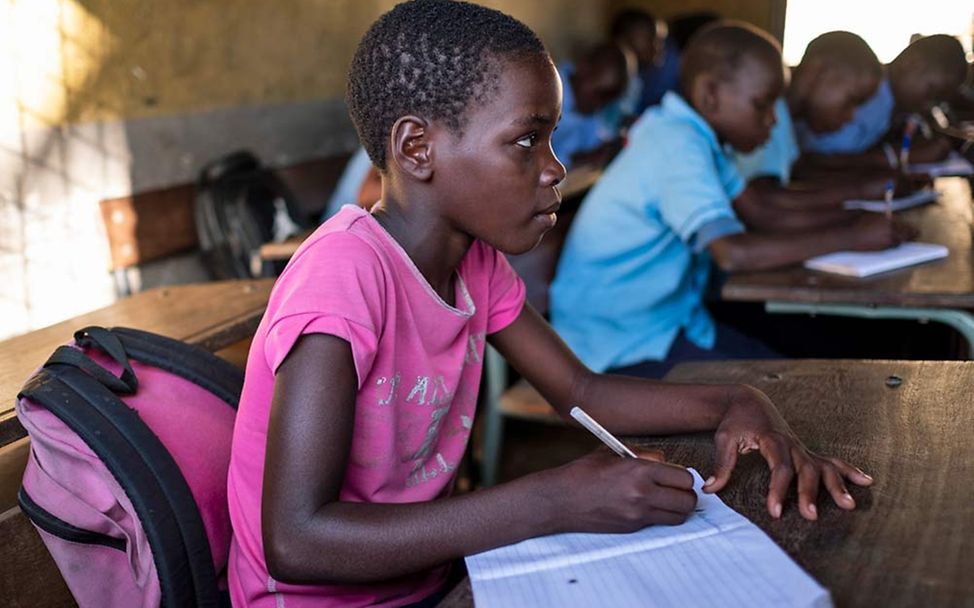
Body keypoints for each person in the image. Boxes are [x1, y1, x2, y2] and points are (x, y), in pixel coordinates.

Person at [227, 5, 876, 607]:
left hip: (434, 577)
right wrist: (552, 499)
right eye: (526, 141)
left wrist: (739, 401)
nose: (554, 167)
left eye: (552, 140)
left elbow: (580, 388)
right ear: (417, 148)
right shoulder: (341, 278)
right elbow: (297, 541)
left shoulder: (473, 262)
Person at [550, 21, 915, 379]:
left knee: (795, 373)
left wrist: (857, 224)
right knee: (791, 390)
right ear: (710, 94)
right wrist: (851, 237)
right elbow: (733, 252)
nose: (773, 120)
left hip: (667, 322)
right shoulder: (676, 144)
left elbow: (763, 212)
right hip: (612, 346)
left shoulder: (700, 140)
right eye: (762, 105)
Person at [733, 31, 907, 232]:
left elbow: (799, 174)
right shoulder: (768, 118)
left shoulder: (786, 122)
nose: (851, 116)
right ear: (816, 71)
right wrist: (859, 193)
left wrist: (868, 179)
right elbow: (767, 198)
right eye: (852, 100)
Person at [796, 34, 968, 169]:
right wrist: (898, 156)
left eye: (937, 101)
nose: (929, 105)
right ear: (912, 63)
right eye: (931, 92)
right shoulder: (868, 93)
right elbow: (819, 157)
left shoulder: (892, 105)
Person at [553, 43, 629, 170]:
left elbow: (594, 143)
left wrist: (596, 154)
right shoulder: (547, 89)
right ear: (584, 67)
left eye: (607, 99)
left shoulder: (590, 115)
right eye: (598, 92)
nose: (599, 103)